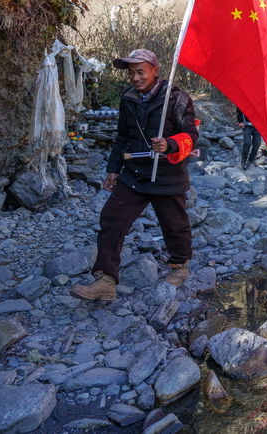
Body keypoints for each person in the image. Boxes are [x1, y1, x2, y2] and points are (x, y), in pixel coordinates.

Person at [71, 49, 198, 301]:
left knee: (174, 224)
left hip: (167, 174)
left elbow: (192, 135)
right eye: (131, 73)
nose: (135, 78)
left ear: (155, 70)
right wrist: (113, 169)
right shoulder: (128, 98)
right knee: (112, 219)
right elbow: (123, 137)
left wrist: (170, 144)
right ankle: (106, 280)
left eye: (141, 72)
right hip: (135, 172)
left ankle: (179, 265)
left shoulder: (177, 97)